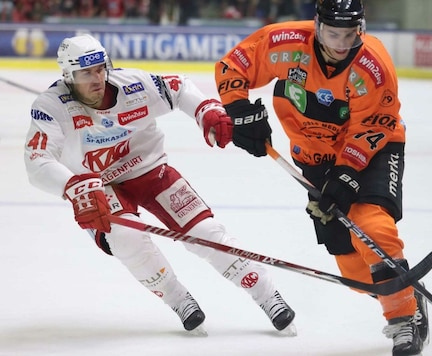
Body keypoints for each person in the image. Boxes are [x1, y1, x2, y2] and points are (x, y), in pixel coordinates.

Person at [23, 34, 296, 336]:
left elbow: (178, 87)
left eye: (101, 68)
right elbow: (36, 160)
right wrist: (74, 187)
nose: (97, 78)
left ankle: (269, 296)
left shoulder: (134, 85)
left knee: (205, 233)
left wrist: (206, 110)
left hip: (149, 170)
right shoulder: (51, 106)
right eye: (86, 73)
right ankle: (179, 300)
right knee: (126, 238)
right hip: (98, 187)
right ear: (68, 76)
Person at [213, 0, 428, 355]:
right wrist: (238, 110)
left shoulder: (372, 66)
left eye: (350, 34)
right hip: (314, 156)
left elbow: (375, 124)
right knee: (354, 269)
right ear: (317, 24)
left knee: (371, 225)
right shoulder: (285, 42)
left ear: (361, 27)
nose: (341, 43)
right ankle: (405, 290)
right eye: (333, 33)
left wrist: (346, 176)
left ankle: (405, 319)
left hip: (373, 150)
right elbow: (233, 65)